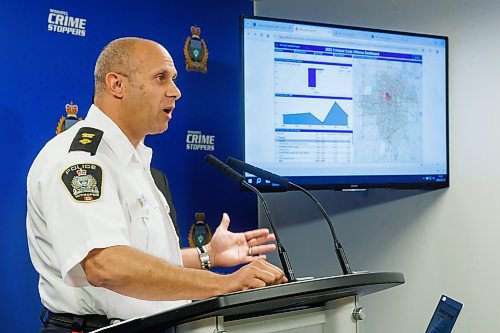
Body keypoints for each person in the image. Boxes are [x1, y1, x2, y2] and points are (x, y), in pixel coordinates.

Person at [26, 37, 287, 333]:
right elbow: (104, 264)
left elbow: (141, 256)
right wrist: (224, 284)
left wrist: (207, 256)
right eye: (160, 78)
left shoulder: (134, 159)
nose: (175, 92)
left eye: (173, 79)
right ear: (117, 85)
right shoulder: (81, 160)